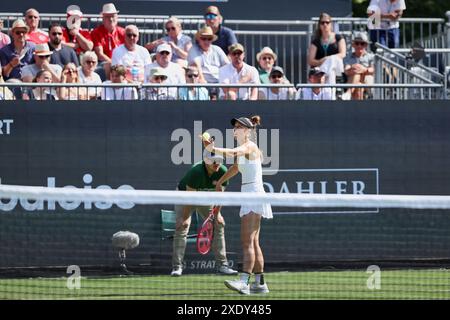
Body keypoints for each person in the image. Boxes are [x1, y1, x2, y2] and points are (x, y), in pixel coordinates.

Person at [204, 115, 272, 295]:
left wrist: (213, 148)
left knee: (247, 241)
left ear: (248, 131)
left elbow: (234, 154)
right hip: (250, 194)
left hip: (254, 195)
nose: (235, 130)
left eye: (239, 127)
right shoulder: (245, 150)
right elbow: (236, 166)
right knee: (254, 242)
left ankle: (244, 282)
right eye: (235, 127)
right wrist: (220, 182)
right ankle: (260, 284)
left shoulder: (249, 146)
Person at [171, 149, 238, 277]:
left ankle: (223, 265)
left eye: (219, 160)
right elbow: (190, 198)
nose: (217, 163)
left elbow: (220, 195)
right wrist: (184, 218)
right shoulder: (196, 172)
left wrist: (217, 214)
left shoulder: (223, 171)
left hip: (205, 198)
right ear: (206, 161)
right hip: (184, 196)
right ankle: (177, 267)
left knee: (219, 224)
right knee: (182, 226)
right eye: (214, 161)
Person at [187, 26, 229, 98]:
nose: (206, 41)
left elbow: (227, 65)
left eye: (209, 39)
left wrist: (225, 80)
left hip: (219, 83)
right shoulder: (193, 49)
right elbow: (196, 65)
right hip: (202, 84)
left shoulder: (217, 49)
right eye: (203, 38)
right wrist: (202, 79)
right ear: (199, 40)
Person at [90, 3, 125, 81]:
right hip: (104, 63)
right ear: (103, 18)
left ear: (117, 17)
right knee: (108, 65)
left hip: (121, 62)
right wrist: (114, 63)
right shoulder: (96, 32)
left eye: (113, 16)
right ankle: (110, 87)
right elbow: (100, 54)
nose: (111, 19)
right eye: (108, 16)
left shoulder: (123, 32)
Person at [342, 32, 375, 100]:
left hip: (367, 79)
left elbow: (373, 69)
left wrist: (364, 70)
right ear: (353, 45)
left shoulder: (371, 56)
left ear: (366, 45)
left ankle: (348, 93)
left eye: (362, 44)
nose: (359, 46)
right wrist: (354, 68)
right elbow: (346, 71)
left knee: (357, 76)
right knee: (359, 84)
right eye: (357, 43)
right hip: (353, 80)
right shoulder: (348, 56)